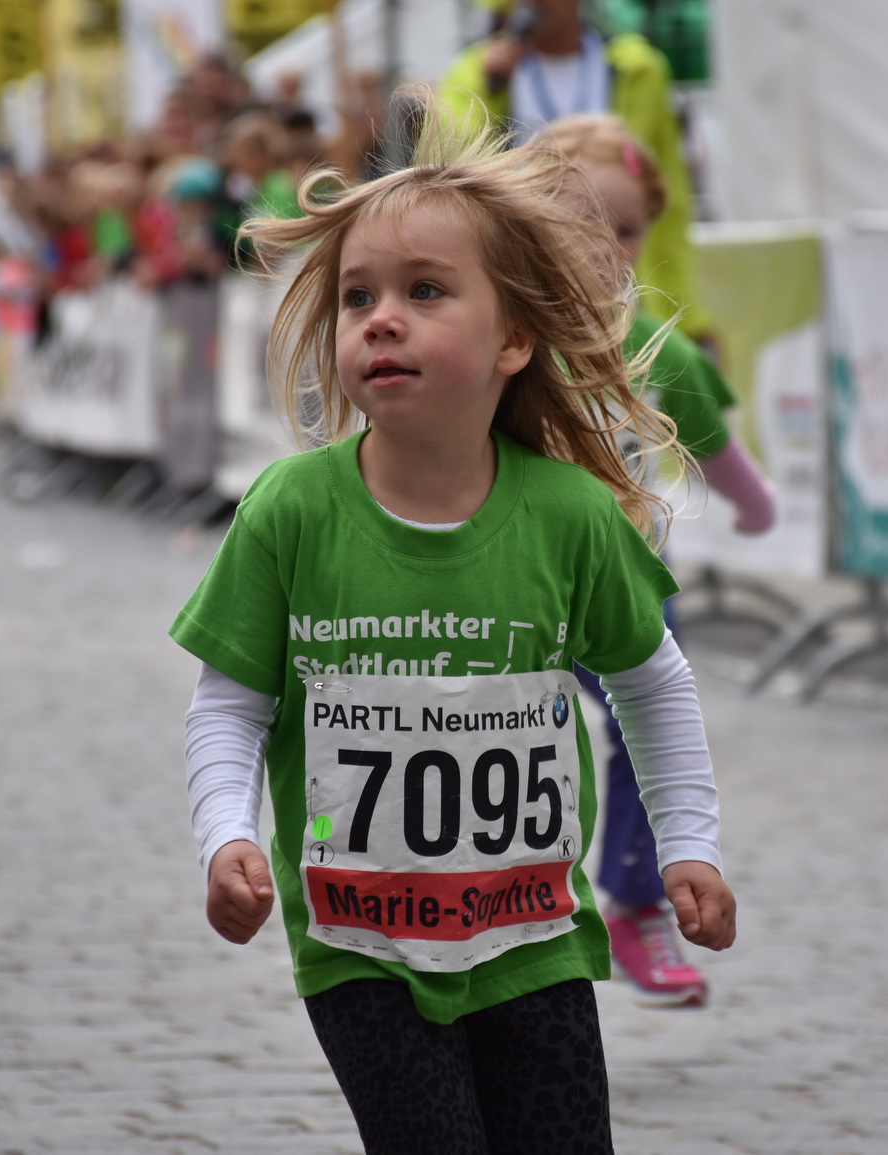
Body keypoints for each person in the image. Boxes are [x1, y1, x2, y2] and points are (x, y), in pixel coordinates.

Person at [170, 103, 737, 1153]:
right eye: (358, 296)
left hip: (535, 938)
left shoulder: (570, 516)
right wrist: (227, 835)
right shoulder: (289, 511)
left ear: (513, 337)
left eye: (425, 291)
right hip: (360, 946)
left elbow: (652, 682)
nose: (381, 319)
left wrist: (687, 845)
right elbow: (230, 705)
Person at [534, 112, 773, 1006]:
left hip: (627, 582)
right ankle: (494, 898)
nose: (605, 248)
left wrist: (757, 507)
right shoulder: (497, 336)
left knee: (651, 724)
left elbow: (716, 445)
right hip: (510, 582)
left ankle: (635, 902)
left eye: (626, 228)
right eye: (578, 223)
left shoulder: (653, 345)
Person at [439, 0, 712, 341]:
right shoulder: (474, 73)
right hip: (530, 289)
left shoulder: (640, 69)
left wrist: (683, 310)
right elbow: (451, 177)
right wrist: (488, 89)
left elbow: (670, 203)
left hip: (630, 293)